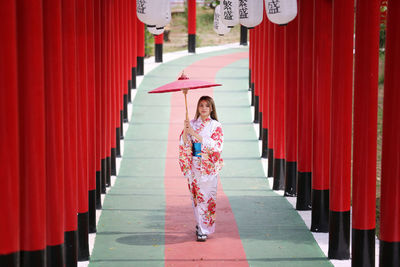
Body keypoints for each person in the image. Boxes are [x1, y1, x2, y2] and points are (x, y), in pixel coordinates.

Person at [179, 95, 224, 242]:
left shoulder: (216, 126)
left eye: (207, 106)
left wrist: (195, 134)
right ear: (198, 108)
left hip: (208, 166)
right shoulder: (192, 123)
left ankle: (204, 228)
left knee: (207, 197)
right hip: (194, 164)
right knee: (196, 198)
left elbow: (216, 146)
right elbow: (184, 143)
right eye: (201, 105)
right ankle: (200, 225)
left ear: (211, 108)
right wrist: (186, 131)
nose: (204, 108)